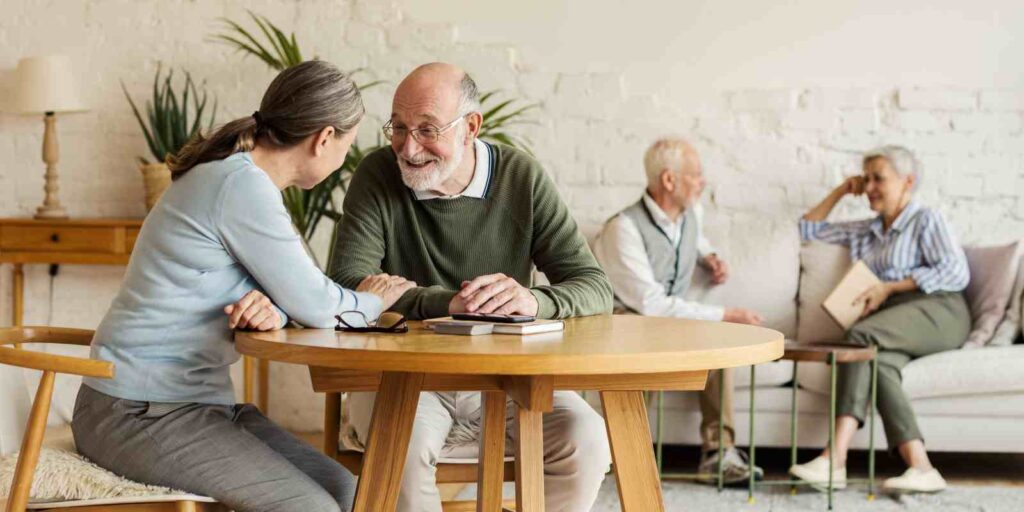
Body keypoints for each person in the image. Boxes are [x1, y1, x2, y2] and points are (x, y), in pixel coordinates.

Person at [72, 60, 414, 512]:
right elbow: (320, 306)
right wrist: (375, 298)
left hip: (193, 407)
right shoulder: (240, 186)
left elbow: (287, 291)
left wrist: (272, 306)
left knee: (351, 494)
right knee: (312, 508)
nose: (343, 159)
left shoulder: (239, 179)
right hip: (135, 411)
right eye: (346, 145)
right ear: (324, 138)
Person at [329, 62, 613, 512]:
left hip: (509, 376)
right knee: (398, 446)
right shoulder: (378, 175)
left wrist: (532, 301)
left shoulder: (521, 177)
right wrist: (451, 304)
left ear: (470, 128)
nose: (408, 146)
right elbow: (347, 286)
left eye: (427, 129)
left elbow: (594, 286)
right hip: (405, 378)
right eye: (398, 128)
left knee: (588, 439)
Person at [790, 145, 970, 494]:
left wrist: (889, 287)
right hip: (894, 323)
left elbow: (956, 271)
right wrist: (843, 190)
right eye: (866, 178)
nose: (870, 186)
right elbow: (808, 229)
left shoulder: (926, 219)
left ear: (907, 182)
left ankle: (834, 459)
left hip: (940, 310)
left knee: (859, 337)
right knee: (880, 364)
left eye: (879, 178)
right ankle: (921, 466)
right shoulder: (866, 230)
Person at [592, 137, 764, 484]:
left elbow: (693, 239)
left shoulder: (690, 213)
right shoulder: (622, 229)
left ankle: (719, 455)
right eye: (696, 175)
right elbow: (650, 305)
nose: (703, 183)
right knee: (658, 340)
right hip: (629, 321)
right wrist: (726, 314)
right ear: (669, 181)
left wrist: (710, 257)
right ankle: (626, 453)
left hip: (668, 322)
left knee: (718, 346)